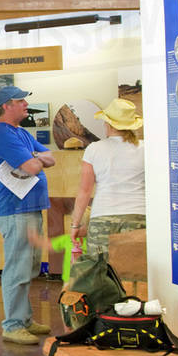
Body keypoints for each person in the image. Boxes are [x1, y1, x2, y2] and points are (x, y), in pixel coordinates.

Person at [0, 86, 56, 346]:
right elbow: (31, 166)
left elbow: (51, 158)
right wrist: (36, 159)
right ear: (7, 105)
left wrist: (36, 156)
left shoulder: (22, 134)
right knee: (17, 268)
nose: (26, 104)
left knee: (28, 266)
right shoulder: (2, 134)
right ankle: (13, 324)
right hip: (15, 211)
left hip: (30, 208)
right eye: (21, 101)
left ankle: (24, 319)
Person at [69, 98, 146, 270]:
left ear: (109, 124)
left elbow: (85, 190)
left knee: (100, 274)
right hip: (138, 215)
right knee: (133, 272)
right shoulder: (145, 149)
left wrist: (76, 224)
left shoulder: (94, 149)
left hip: (102, 217)